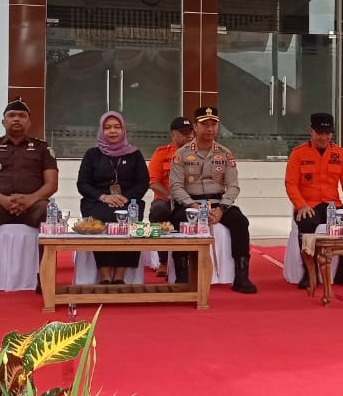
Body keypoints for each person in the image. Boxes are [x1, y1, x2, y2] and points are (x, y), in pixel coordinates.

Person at [0, 98, 59, 300]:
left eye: (22, 116)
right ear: (3, 121)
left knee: (49, 213)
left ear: (29, 122)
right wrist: (2, 200)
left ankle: (44, 277)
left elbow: (51, 184)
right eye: (11, 115)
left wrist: (31, 199)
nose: (16, 119)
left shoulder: (42, 148)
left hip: (33, 206)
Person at [168, 106, 258, 294]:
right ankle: (182, 277)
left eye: (213, 124)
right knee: (179, 220)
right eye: (205, 124)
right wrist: (194, 206)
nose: (209, 128)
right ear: (195, 127)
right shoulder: (181, 154)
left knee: (240, 221)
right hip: (190, 204)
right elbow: (176, 187)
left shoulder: (225, 154)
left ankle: (241, 276)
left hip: (218, 204)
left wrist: (221, 209)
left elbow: (233, 186)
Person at [284, 111, 343, 290]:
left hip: (332, 204)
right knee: (308, 224)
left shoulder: (340, 154)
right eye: (320, 133)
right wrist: (301, 205)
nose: (324, 137)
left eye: (327, 133)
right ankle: (309, 272)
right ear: (311, 131)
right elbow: (291, 184)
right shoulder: (298, 154)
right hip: (309, 205)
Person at [77, 111, 150, 285]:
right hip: (98, 201)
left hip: (127, 201)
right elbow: (83, 184)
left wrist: (125, 197)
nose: (112, 131)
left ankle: (119, 274)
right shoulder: (92, 154)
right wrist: (103, 197)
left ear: (123, 130)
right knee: (101, 219)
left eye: (117, 127)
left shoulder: (134, 154)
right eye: (107, 127)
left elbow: (143, 182)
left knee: (129, 220)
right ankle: (104, 274)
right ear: (101, 131)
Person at [147, 115, 195, 274]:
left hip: (190, 200)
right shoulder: (161, 153)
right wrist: (171, 197)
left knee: (188, 213)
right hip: (166, 199)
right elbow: (153, 182)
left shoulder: (198, 154)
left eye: (191, 132)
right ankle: (163, 261)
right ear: (173, 134)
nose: (189, 136)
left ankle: (185, 262)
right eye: (184, 133)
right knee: (158, 210)